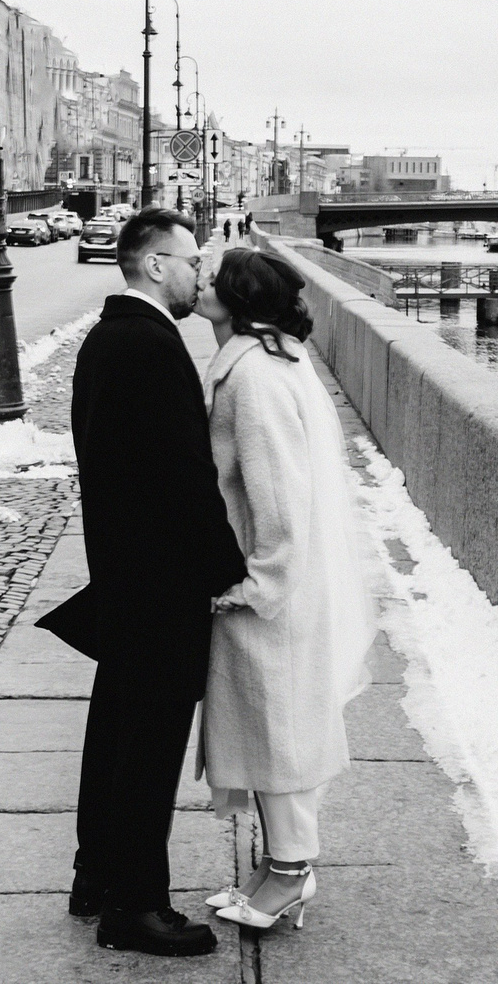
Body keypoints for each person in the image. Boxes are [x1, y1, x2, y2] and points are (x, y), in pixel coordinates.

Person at [48, 208, 247, 957]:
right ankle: (135, 907)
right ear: (157, 263)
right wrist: (227, 567)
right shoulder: (152, 346)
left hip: (122, 576)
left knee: (113, 738)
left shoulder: (108, 338)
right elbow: (186, 478)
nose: (201, 273)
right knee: (148, 750)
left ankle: (95, 872)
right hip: (159, 587)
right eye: (193, 260)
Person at [195, 246, 374, 935]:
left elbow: (279, 495)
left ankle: (292, 873)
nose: (201, 283)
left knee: (282, 733)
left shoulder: (256, 377)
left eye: (214, 279)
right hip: (274, 581)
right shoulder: (271, 359)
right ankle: (277, 868)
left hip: (269, 588)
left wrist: (256, 584)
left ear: (238, 301)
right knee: (274, 731)